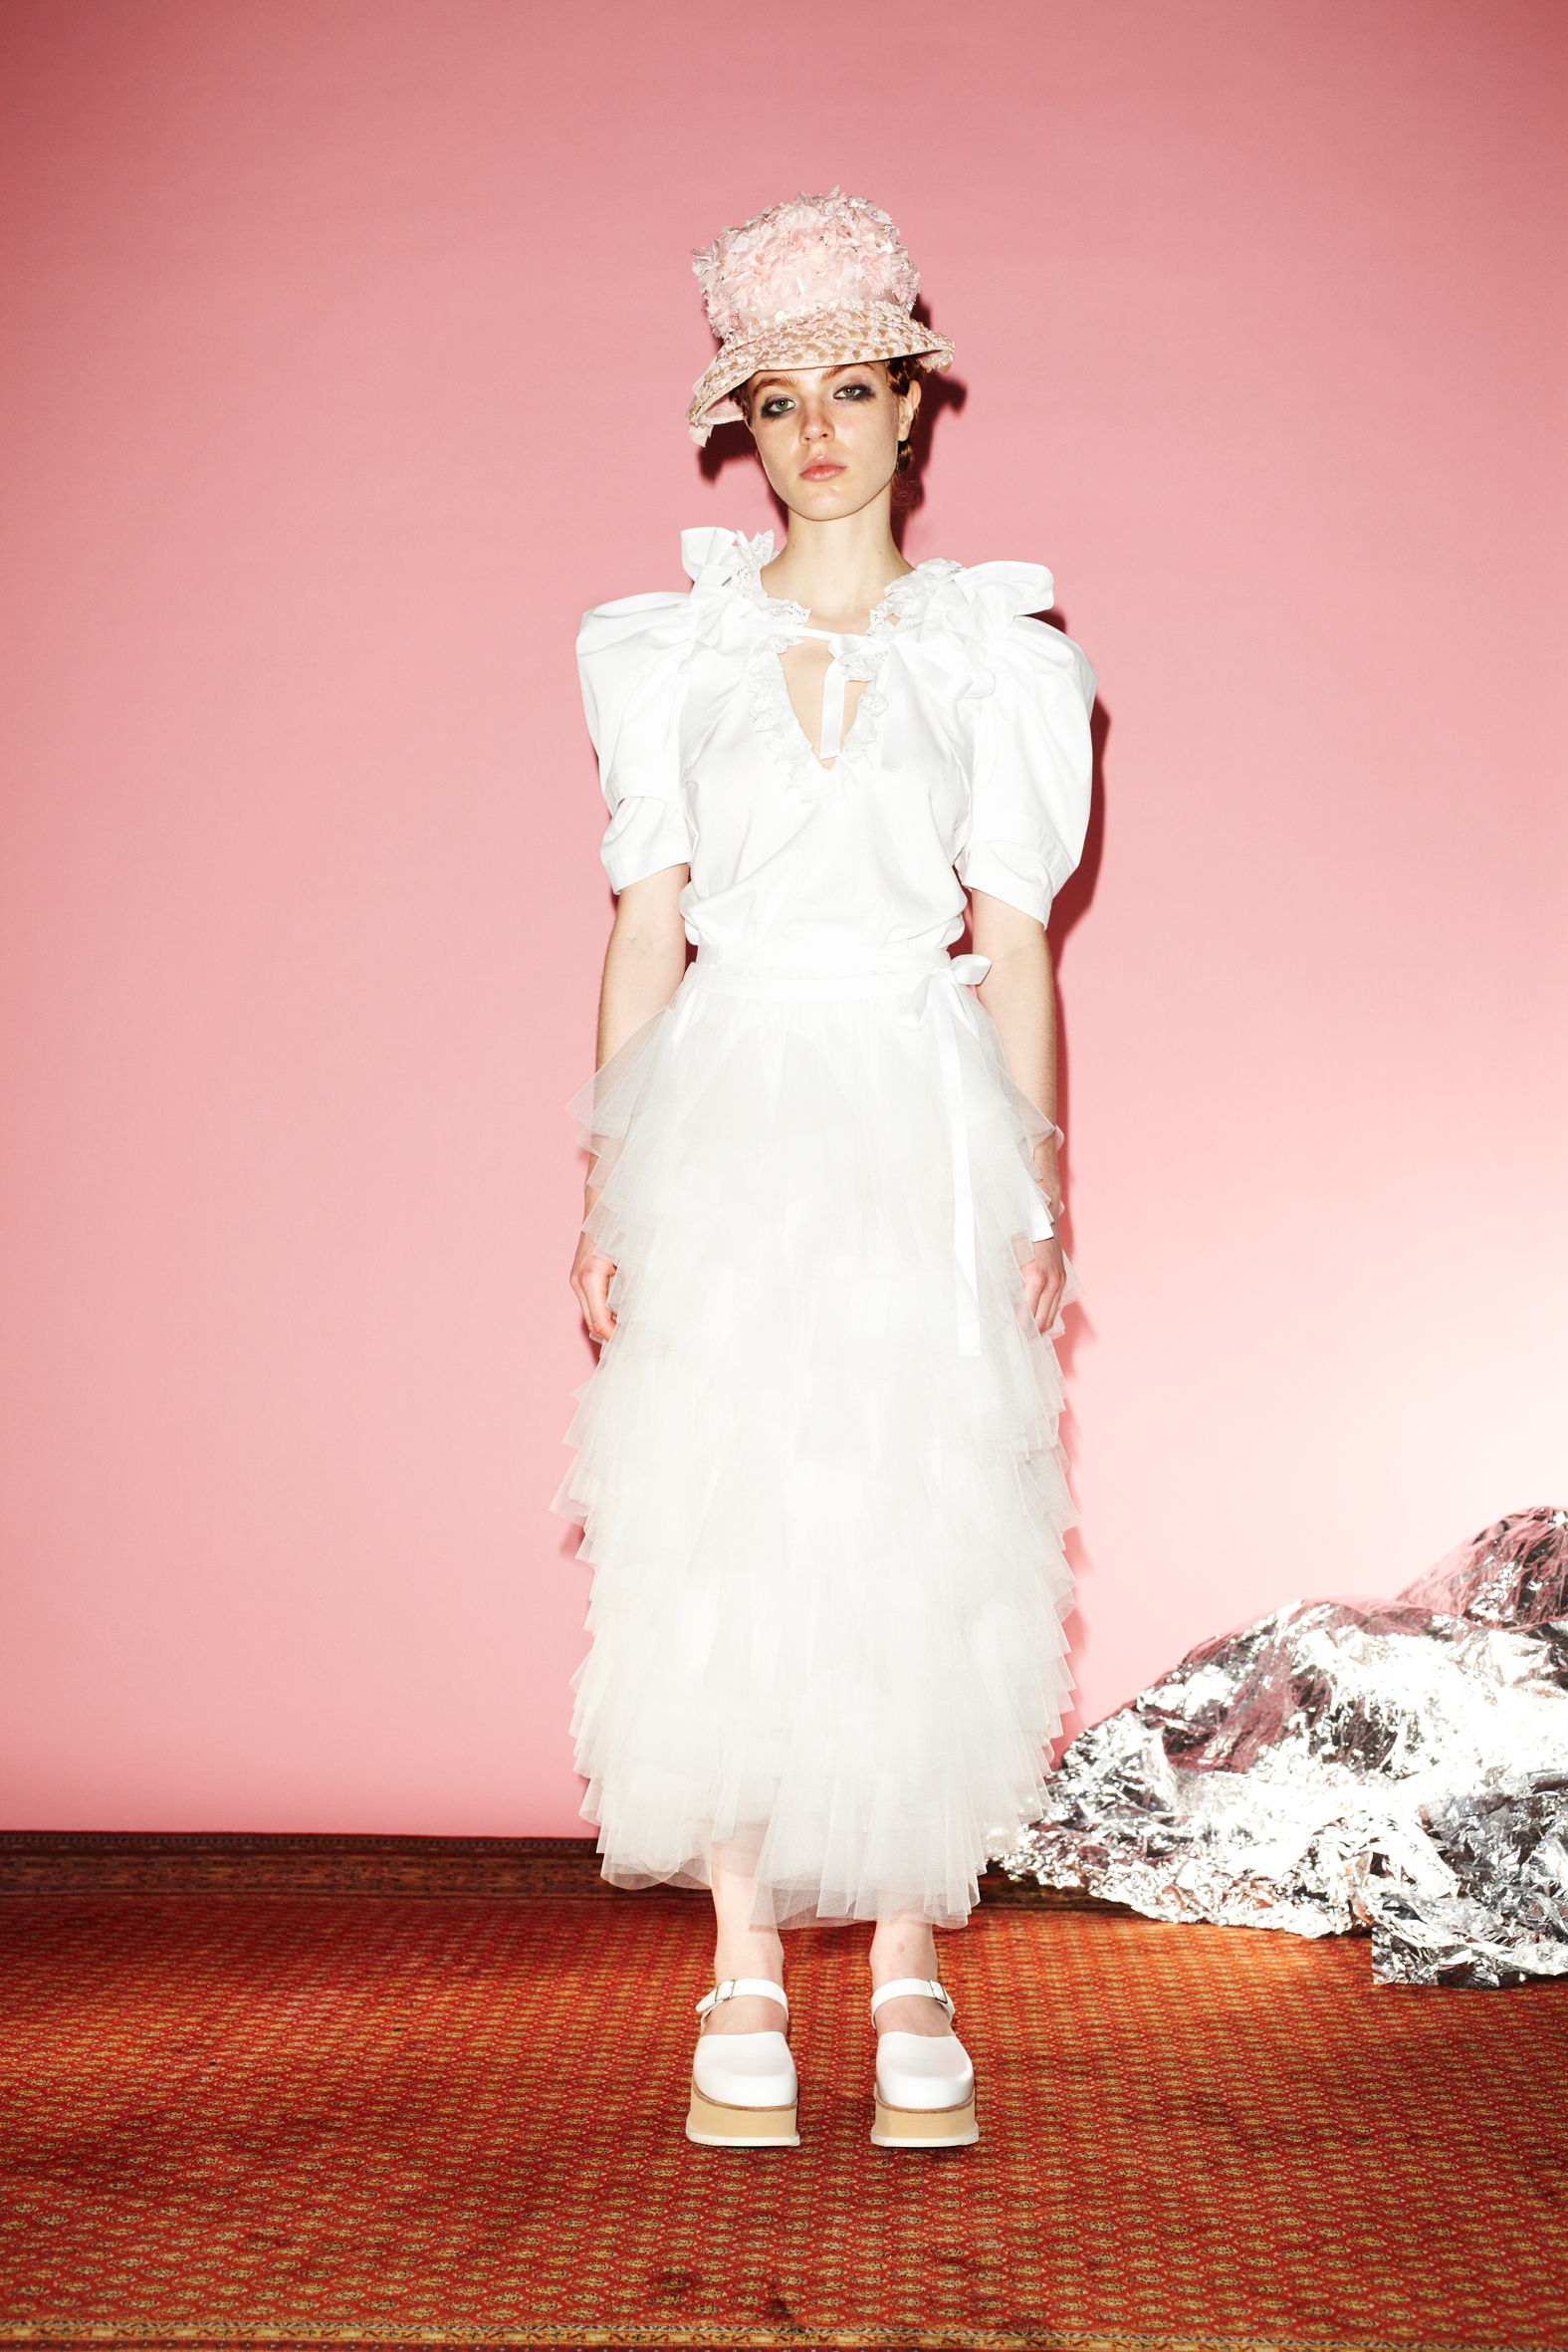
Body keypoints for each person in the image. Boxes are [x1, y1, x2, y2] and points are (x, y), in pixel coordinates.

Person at [559, 190, 1095, 2152]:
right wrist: (605, 1189)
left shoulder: (995, 661)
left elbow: (1014, 946)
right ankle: (742, 1963)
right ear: (744, 425)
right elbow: (643, 928)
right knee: (726, 1508)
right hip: (728, 1102)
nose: (817, 433)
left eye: (851, 390)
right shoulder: (665, 653)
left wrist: (1036, 1190)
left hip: (915, 1101)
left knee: (914, 1507)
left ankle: (903, 1958)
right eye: (778, 400)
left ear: (909, 408)